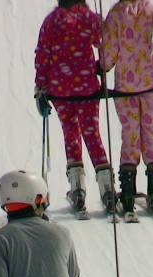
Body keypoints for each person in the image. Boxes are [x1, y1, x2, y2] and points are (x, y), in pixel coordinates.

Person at [35, 0, 116, 214]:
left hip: (60, 90)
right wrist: (101, 68)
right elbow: (105, 43)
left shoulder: (51, 21)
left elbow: (42, 55)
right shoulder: (89, 19)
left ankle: (77, 189)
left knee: (70, 134)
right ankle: (107, 188)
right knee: (93, 135)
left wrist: (41, 87)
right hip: (87, 88)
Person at [100, 0, 153, 213]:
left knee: (130, 133)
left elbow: (109, 52)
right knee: (151, 132)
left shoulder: (116, 14)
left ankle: (127, 190)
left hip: (126, 87)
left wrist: (103, 67)